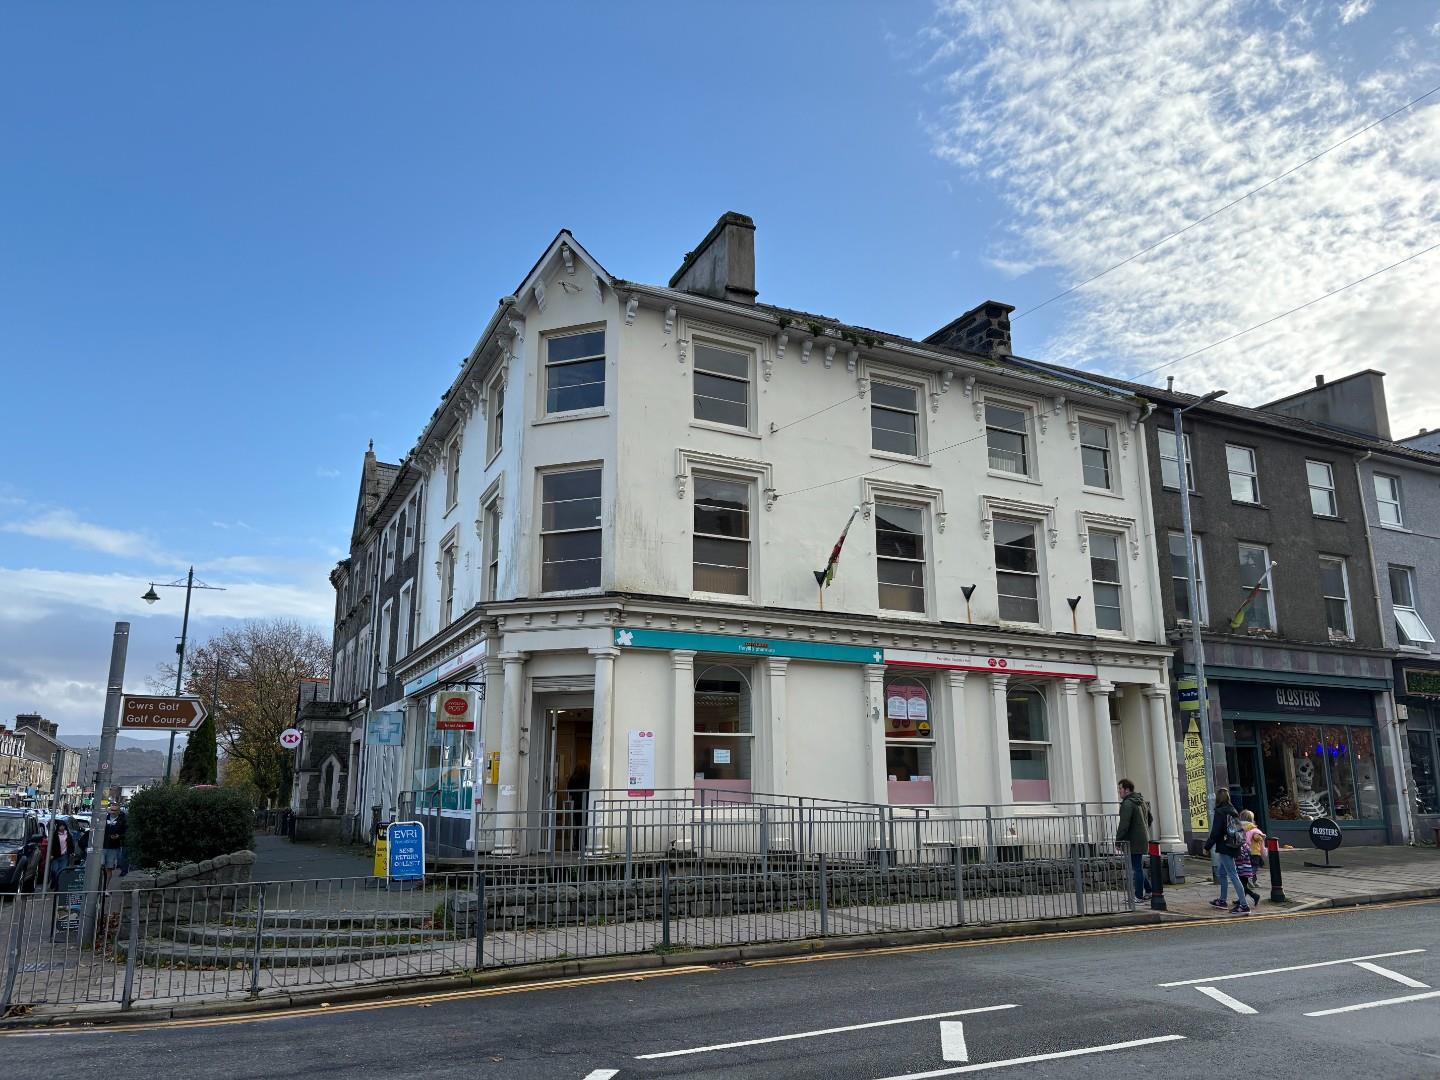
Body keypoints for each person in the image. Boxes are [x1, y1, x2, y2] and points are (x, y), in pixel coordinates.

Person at [1203, 789, 1250, 914]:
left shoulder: (1220, 812)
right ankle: (1222, 900)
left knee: (1232, 874)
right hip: (1234, 845)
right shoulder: (1233, 810)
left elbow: (1216, 832)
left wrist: (1207, 847)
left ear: (1218, 799)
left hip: (1225, 846)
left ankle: (1244, 905)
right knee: (1222, 873)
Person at [1115, 778, 1152, 901]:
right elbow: (1150, 819)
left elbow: (1124, 824)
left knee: (1136, 868)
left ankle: (1138, 896)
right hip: (1142, 838)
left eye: (1120, 788)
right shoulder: (1141, 801)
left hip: (1134, 841)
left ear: (1127, 789)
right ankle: (1149, 891)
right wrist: (1142, 830)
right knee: (1138, 867)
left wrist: (1118, 840)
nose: (1119, 791)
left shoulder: (1128, 803)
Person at [1241, 810, 1266, 906]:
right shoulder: (1253, 828)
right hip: (1255, 852)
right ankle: (1251, 879)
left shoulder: (1241, 828)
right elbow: (1256, 837)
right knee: (1254, 867)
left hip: (1244, 852)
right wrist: (1262, 837)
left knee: (1247, 868)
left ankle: (1253, 881)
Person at [101, 803, 127, 886]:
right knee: (100, 867)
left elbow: (126, 833)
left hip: (113, 847)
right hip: (101, 846)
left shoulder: (123, 820)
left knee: (109, 868)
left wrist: (119, 836)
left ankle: (105, 888)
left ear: (119, 811)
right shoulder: (104, 818)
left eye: (115, 810)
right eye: (111, 810)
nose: (113, 812)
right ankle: (98, 886)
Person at [47, 819, 72, 891]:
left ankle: (57, 886)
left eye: (63, 826)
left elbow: (71, 844)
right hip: (55, 856)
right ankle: (54, 881)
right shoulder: (55, 835)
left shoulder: (68, 835)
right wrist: (51, 854)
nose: (62, 828)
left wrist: (71, 852)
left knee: (60, 872)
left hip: (64, 856)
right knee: (54, 871)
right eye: (60, 826)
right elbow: (52, 845)